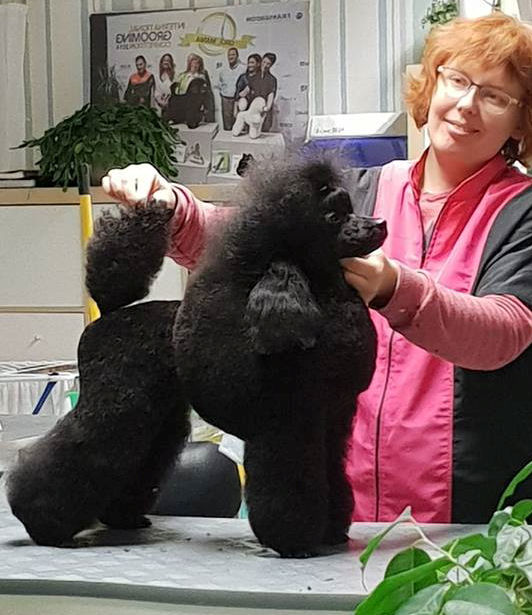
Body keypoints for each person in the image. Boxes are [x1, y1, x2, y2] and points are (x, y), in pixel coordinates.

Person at [102, 13, 532, 524]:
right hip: (339, 502)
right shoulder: (364, 189)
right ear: (433, 84)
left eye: (494, 95)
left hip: (468, 519)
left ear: (520, 120)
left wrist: (396, 289)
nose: (466, 105)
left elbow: (503, 332)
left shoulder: (521, 212)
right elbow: (244, 239)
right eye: (456, 80)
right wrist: (171, 206)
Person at [239, 52, 278, 132]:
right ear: (261, 61)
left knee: (264, 131)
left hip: (264, 111)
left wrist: (267, 107)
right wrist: (242, 97)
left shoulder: (272, 79)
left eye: (268, 64)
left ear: (271, 65)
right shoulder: (253, 77)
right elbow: (246, 90)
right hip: (252, 109)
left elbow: (271, 94)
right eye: (264, 62)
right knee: (250, 131)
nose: (265, 65)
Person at [173, 53, 215, 122]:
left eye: (197, 63)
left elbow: (207, 93)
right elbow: (177, 89)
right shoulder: (183, 75)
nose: (195, 65)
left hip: (197, 104)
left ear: (200, 65)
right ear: (189, 64)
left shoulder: (202, 76)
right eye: (193, 63)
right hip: (183, 103)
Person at [216, 47, 245, 131]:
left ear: (237, 56)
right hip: (226, 99)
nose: (230, 57)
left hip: (239, 100)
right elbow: (219, 84)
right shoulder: (222, 70)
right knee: (227, 124)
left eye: (233, 54)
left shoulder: (243, 69)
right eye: (229, 55)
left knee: (239, 123)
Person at [153, 53, 176, 118]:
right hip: (159, 103)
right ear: (161, 62)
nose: (166, 62)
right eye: (164, 60)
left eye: (168, 61)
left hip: (170, 104)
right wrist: (160, 101)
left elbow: (174, 91)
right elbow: (156, 91)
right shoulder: (156, 77)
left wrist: (167, 101)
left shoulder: (174, 77)